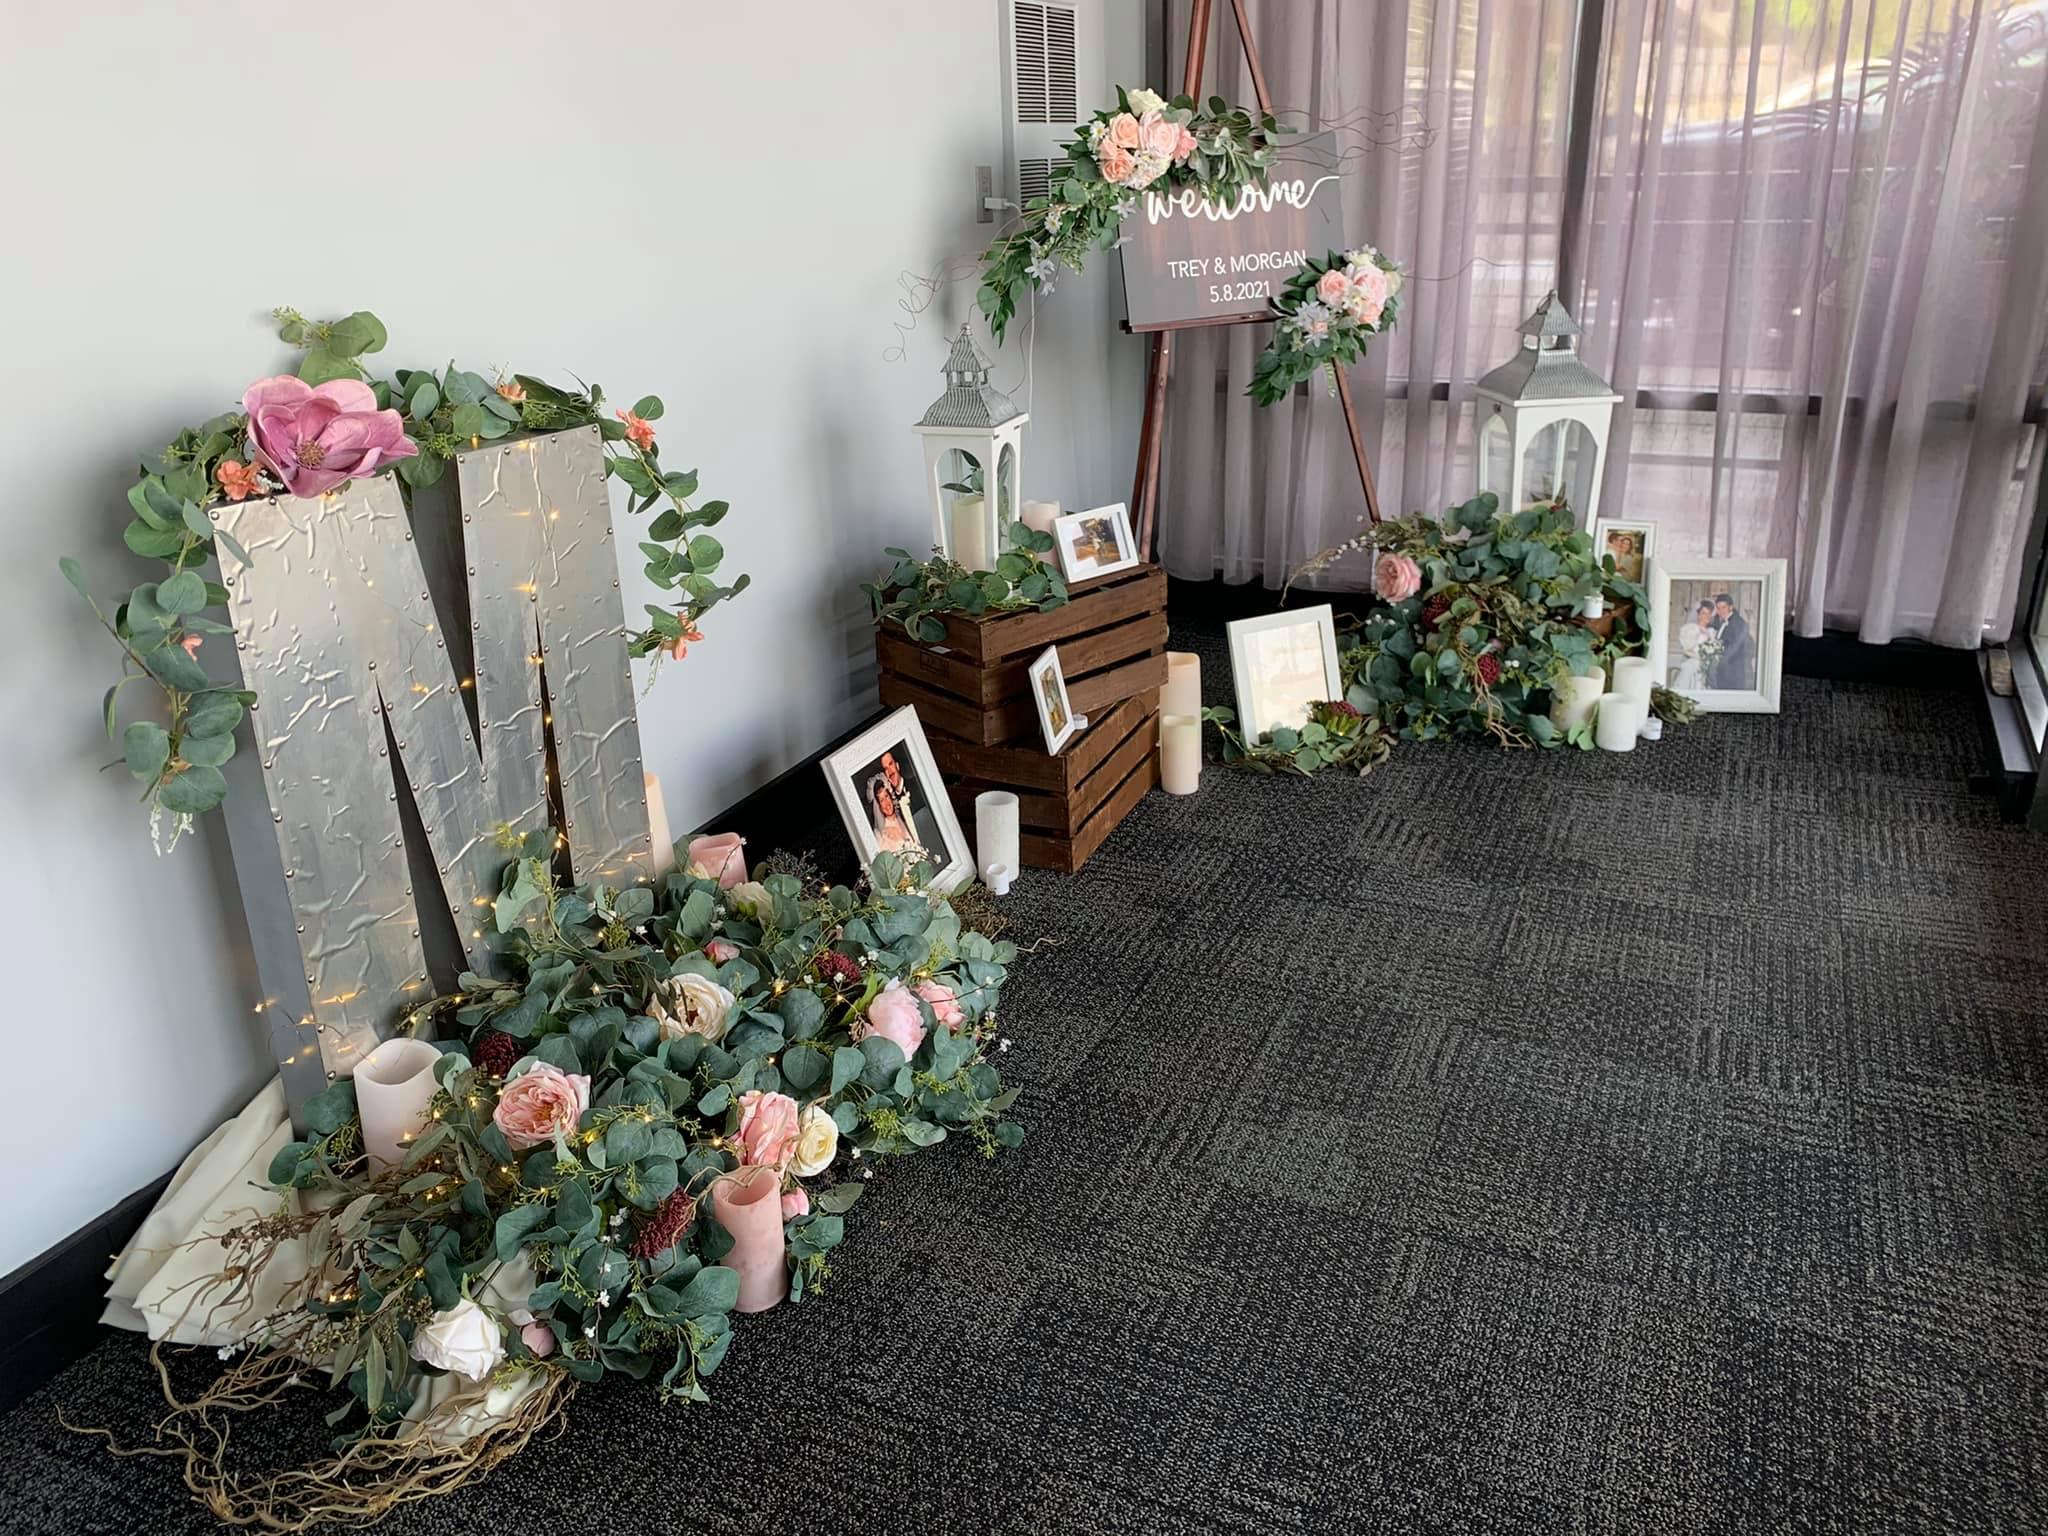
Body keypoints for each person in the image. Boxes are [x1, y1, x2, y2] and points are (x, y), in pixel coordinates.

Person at [1711, 591, 1754, 690]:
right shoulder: (1721, 621)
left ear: (1731, 607)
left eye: (1723, 607)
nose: (1720, 611)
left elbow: (1735, 647)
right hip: (1724, 671)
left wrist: (1717, 662)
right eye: (1718, 608)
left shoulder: (1738, 622)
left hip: (1733, 672)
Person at [1674, 600, 1714, 690]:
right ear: (1698, 615)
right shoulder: (1690, 629)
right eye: (1704, 613)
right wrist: (1700, 657)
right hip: (1692, 665)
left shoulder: (1711, 632)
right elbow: (1686, 650)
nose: (1707, 616)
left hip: (1706, 668)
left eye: (1709, 613)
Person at [870, 779, 914, 852]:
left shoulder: (904, 818)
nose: (886, 803)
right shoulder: (880, 834)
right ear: (879, 806)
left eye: (886, 796)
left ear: (891, 797)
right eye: (881, 800)